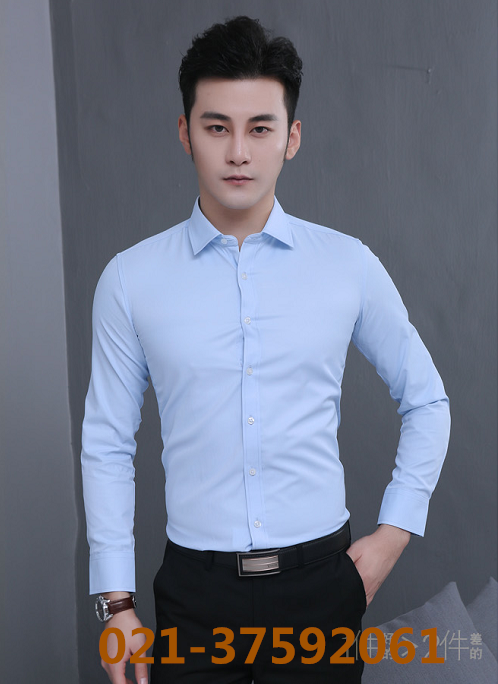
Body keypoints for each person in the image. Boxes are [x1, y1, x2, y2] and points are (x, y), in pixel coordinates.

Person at [81, 15, 451, 684]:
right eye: (216, 127)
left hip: (320, 591)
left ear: (291, 138)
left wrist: (393, 535)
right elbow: (107, 441)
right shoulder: (130, 280)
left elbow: (427, 401)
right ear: (185, 133)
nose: (238, 153)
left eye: (259, 128)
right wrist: (117, 603)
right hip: (195, 597)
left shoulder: (347, 265)